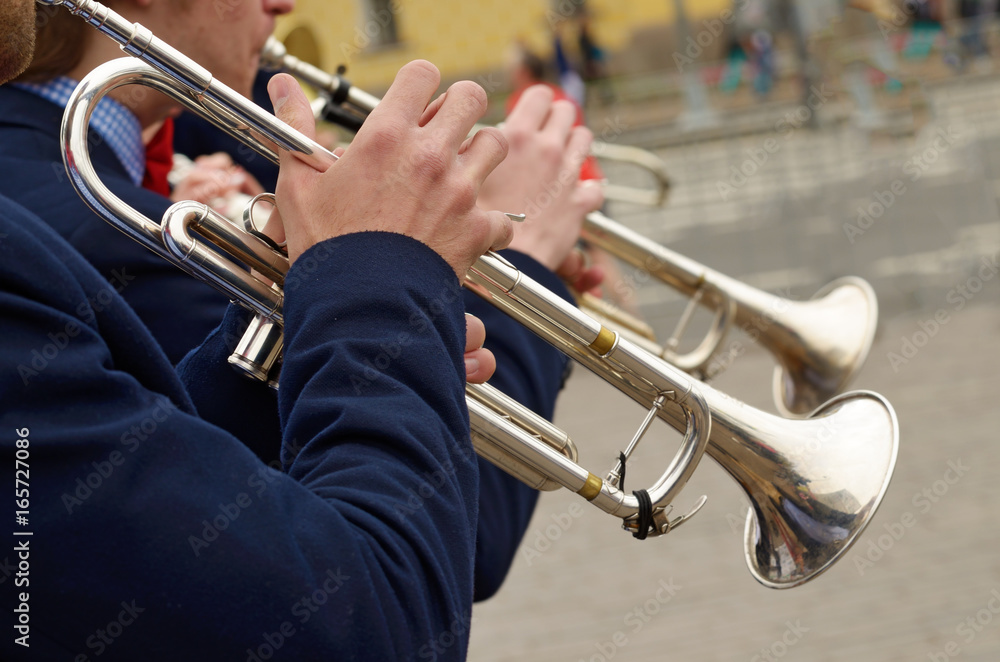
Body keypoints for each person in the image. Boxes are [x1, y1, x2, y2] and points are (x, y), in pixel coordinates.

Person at [1, 0, 604, 602]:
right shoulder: (107, 227)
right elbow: (453, 547)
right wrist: (524, 261)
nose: (283, 5)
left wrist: (401, 276)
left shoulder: (78, 185)